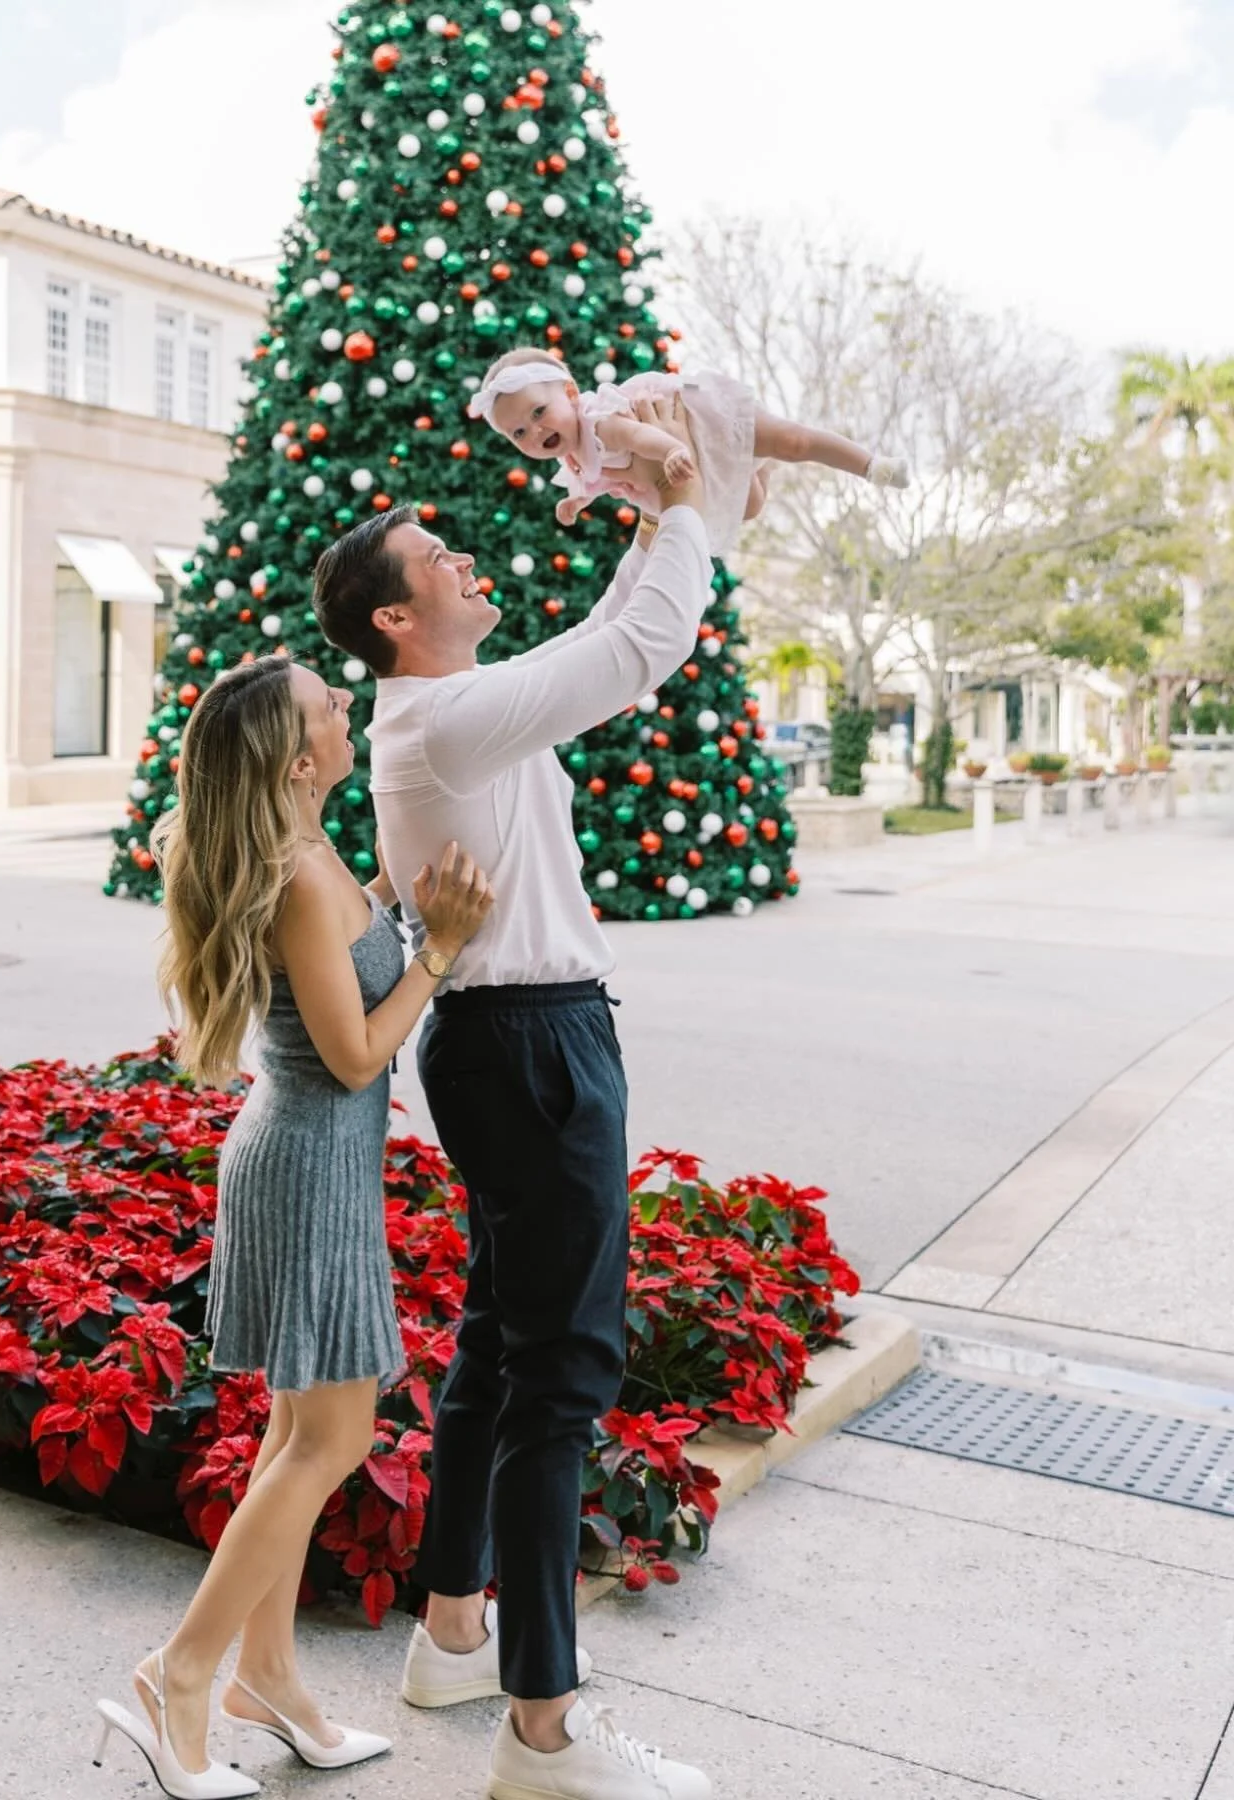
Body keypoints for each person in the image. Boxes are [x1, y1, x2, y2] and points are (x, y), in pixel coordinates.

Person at [312, 391, 715, 1800]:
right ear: (394, 622)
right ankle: (543, 1731)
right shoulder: (450, 722)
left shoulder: (447, 713)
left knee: (498, 1345)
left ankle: (450, 1631)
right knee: (563, 1381)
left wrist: (652, 518)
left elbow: (594, 648)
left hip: (505, 1043)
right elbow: (641, 648)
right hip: (535, 1048)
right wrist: (676, 503)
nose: (467, 562)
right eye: (439, 560)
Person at [92, 653, 494, 1800]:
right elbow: (360, 1052)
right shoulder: (301, 876)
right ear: (298, 754)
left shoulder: (315, 857)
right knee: (330, 1442)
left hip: (303, 1157)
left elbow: (342, 976)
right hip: (308, 1164)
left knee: (291, 1436)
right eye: (329, 705)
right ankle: (179, 1675)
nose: (348, 708)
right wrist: (442, 951)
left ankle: (266, 1676)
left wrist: (401, 902)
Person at [469, 344, 909, 558]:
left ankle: (873, 465)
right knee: (751, 505)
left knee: (793, 441)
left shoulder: (599, 421)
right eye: (519, 433)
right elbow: (602, 477)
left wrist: (671, 450)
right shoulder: (573, 455)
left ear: (570, 392)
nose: (534, 431)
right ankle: (764, 469)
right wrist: (577, 499)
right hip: (693, 456)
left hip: (702, 422)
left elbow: (639, 439)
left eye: (539, 412)